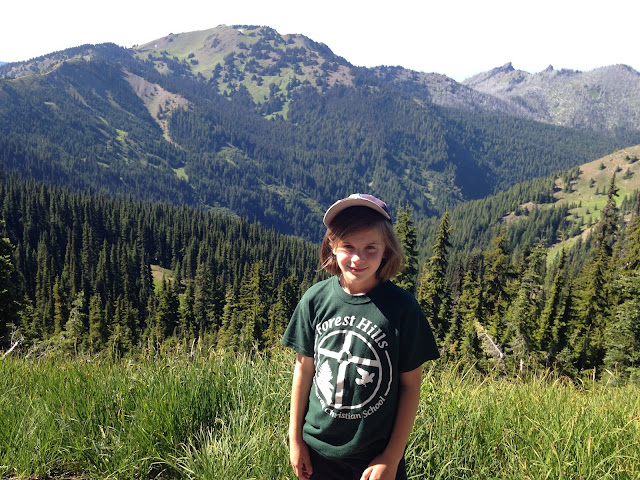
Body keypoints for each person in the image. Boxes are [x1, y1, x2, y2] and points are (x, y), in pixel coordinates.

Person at [281, 193, 440, 480]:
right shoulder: (315, 300)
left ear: (387, 249)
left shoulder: (403, 309)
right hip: (317, 454)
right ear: (332, 246)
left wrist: (391, 457)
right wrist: (295, 439)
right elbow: (304, 370)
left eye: (370, 248)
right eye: (348, 246)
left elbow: (410, 386)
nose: (358, 258)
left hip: (374, 458)